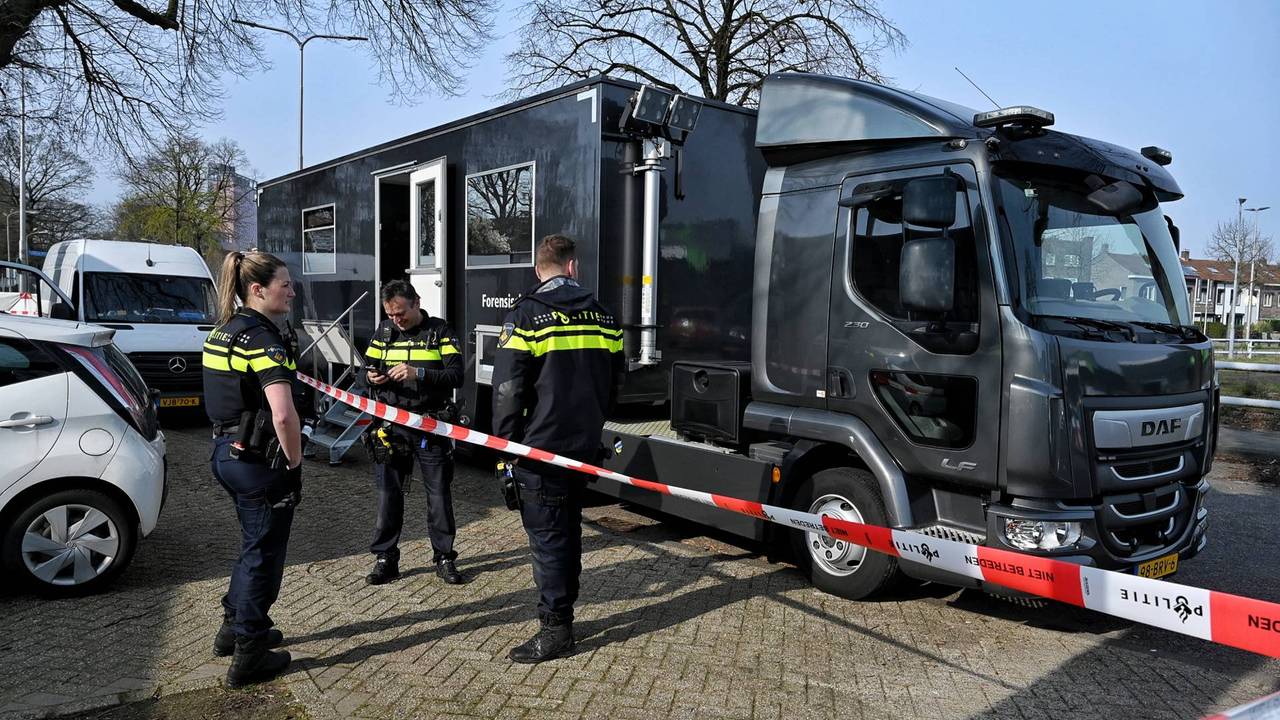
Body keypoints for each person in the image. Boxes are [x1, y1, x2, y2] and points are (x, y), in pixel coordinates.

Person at [491, 234, 623, 663]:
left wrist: (505, 449)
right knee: (568, 533)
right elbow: (615, 384)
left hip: (539, 451)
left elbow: (508, 390)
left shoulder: (525, 318)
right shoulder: (604, 317)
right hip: (584, 447)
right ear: (572, 267)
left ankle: (556, 632)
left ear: (539, 270)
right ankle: (562, 616)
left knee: (549, 540)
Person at [202, 250, 302, 688]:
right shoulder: (262, 339)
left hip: (226, 453)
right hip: (261, 462)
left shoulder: (223, 332)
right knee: (264, 557)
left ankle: (235, 626)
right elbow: (282, 415)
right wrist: (295, 463)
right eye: (285, 284)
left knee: (251, 546)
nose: (292, 291)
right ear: (258, 290)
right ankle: (250, 653)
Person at [363, 280, 464, 586]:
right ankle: (386, 558)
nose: (396, 320)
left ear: (416, 302)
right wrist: (370, 376)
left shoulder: (440, 332)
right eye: (391, 315)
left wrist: (417, 372)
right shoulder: (383, 333)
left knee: (438, 496)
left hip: (429, 427)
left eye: (401, 313)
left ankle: (444, 557)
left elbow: (457, 375)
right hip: (391, 428)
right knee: (388, 497)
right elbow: (363, 370)